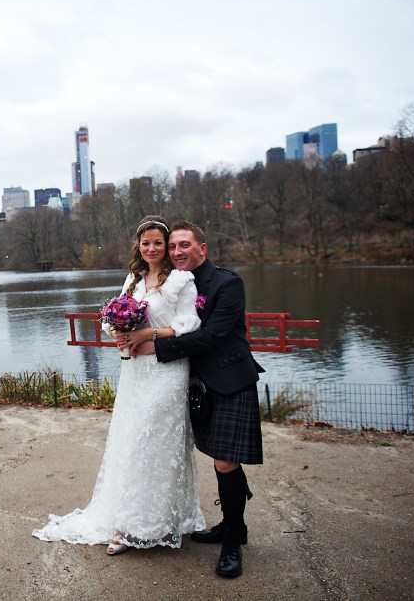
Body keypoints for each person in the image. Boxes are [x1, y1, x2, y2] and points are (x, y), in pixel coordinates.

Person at [32, 215, 205, 555]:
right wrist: (117, 333)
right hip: (136, 371)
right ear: (138, 247)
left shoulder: (181, 281)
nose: (152, 248)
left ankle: (143, 525)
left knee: (156, 445)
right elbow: (112, 316)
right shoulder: (133, 279)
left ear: (166, 246)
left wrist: (146, 333)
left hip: (167, 370)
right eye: (146, 243)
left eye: (158, 242)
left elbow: (188, 325)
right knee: (131, 441)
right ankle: (124, 519)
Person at [133, 220, 264, 578]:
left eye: (184, 245)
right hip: (194, 383)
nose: (177, 252)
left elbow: (212, 335)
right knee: (221, 459)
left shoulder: (227, 283)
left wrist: (155, 346)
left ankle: (232, 542)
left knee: (225, 461)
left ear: (202, 248)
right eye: (172, 246)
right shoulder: (173, 281)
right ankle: (232, 523)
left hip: (230, 380)